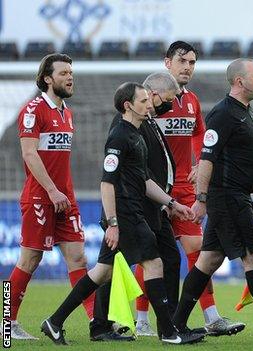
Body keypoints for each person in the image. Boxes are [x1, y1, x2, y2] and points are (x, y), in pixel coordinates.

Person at [41, 82, 204, 346]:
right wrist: (113, 223)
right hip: (126, 214)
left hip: (132, 210)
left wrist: (172, 203)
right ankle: (169, 332)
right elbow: (107, 183)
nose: (148, 104)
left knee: (102, 272)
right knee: (155, 263)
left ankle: (55, 321)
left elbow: (144, 181)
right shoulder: (119, 136)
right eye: (142, 101)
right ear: (128, 105)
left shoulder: (137, 134)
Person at [134, 41, 244, 337]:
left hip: (184, 188)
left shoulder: (192, 101)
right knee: (151, 255)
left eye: (192, 62)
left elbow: (199, 132)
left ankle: (211, 316)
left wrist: (198, 164)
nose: (187, 67)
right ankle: (141, 318)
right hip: (154, 189)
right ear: (167, 62)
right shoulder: (150, 102)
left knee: (197, 250)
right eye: (182, 61)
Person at [173, 58, 253, 343]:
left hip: (240, 196)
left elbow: (251, 163)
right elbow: (207, 159)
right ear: (239, 81)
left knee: (208, 261)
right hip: (227, 198)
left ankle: (176, 324)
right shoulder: (222, 114)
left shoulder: (247, 113)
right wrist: (201, 199)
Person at [87, 72, 182, 341]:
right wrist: (114, 219)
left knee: (113, 266)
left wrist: (169, 200)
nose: (168, 106)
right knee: (115, 267)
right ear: (149, 95)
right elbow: (114, 178)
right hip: (135, 207)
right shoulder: (125, 127)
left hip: (151, 204)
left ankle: (169, 325)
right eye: (166, 99)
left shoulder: (144, 122)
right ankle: (167, 327)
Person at [8, 53, 94, 340]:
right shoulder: (33, 110)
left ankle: (97, 322)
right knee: (28, 261)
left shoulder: (66, 112)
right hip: (40, 198)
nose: (70, 77)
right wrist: (52, 190)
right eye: (64, 73)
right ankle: (7, 323)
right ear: (48, 78)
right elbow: (29, 154)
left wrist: (62, 192)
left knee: (78, 259)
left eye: (71, 72)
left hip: (64, 198)